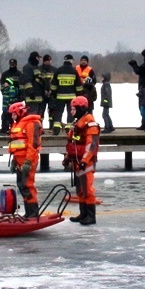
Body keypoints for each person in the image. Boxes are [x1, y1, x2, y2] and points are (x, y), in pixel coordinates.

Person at [63, 95, 101, 226]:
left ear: (81, 109)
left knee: (87, 189)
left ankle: (90, 216)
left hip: (86, 163)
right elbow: (71, 142)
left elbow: (92, 145)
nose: (71, 112)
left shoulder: (90, 124)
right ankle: (83, 213)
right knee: (80, 189)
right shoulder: (77, 123)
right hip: (77, 161)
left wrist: (84, 160)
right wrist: (67, 157)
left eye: (73, 109)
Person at [7, 101, 43, 217]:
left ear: (20, 112)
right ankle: (29, 212)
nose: (12, 117)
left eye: (14, 114)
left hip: (28, 160)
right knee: (22, 186)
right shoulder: (17, 124)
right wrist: (14, 161)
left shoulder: (31, 123)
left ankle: (33, 212)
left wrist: (28, 162)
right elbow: (16, 144)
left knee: (28, 185)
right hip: (19, 161)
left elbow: (33, 145)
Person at [52, 54, 81, 133]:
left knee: (58, 112)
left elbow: (53, 85)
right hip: (71, 97)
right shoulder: (74, 71)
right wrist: (78, 95)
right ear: (71, 61)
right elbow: (78, 86)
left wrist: (54, 94)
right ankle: (69, 128)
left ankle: (56, 128)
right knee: (70, 112)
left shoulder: (59, 70)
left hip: (60, 97)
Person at [20, 51, 47, 117]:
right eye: (38, 58)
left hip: (39, 97)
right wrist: (30, 92)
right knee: (31, 116)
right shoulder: (27, 67)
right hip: (32, 98)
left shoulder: (36, 67)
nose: (39, 59)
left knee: (38, 117)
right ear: (35, 58)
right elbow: (27, 81)